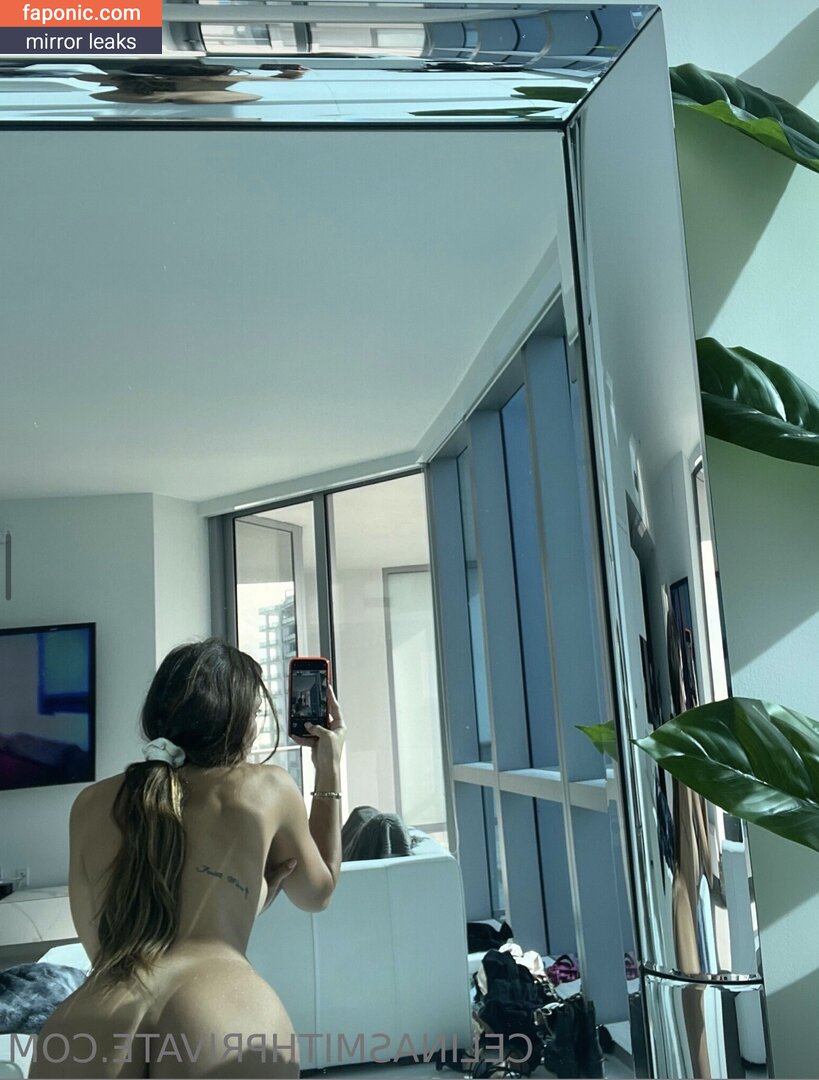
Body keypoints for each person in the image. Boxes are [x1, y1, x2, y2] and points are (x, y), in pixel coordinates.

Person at [28, 638, 346, 1080]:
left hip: (88, 1025)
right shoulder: (267, 788)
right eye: (255, 713)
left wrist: (242, 901)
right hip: (222, 1014)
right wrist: (328, 767)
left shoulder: (89, 803)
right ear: (237, 721)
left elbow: (102, 945)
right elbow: (318, 893)